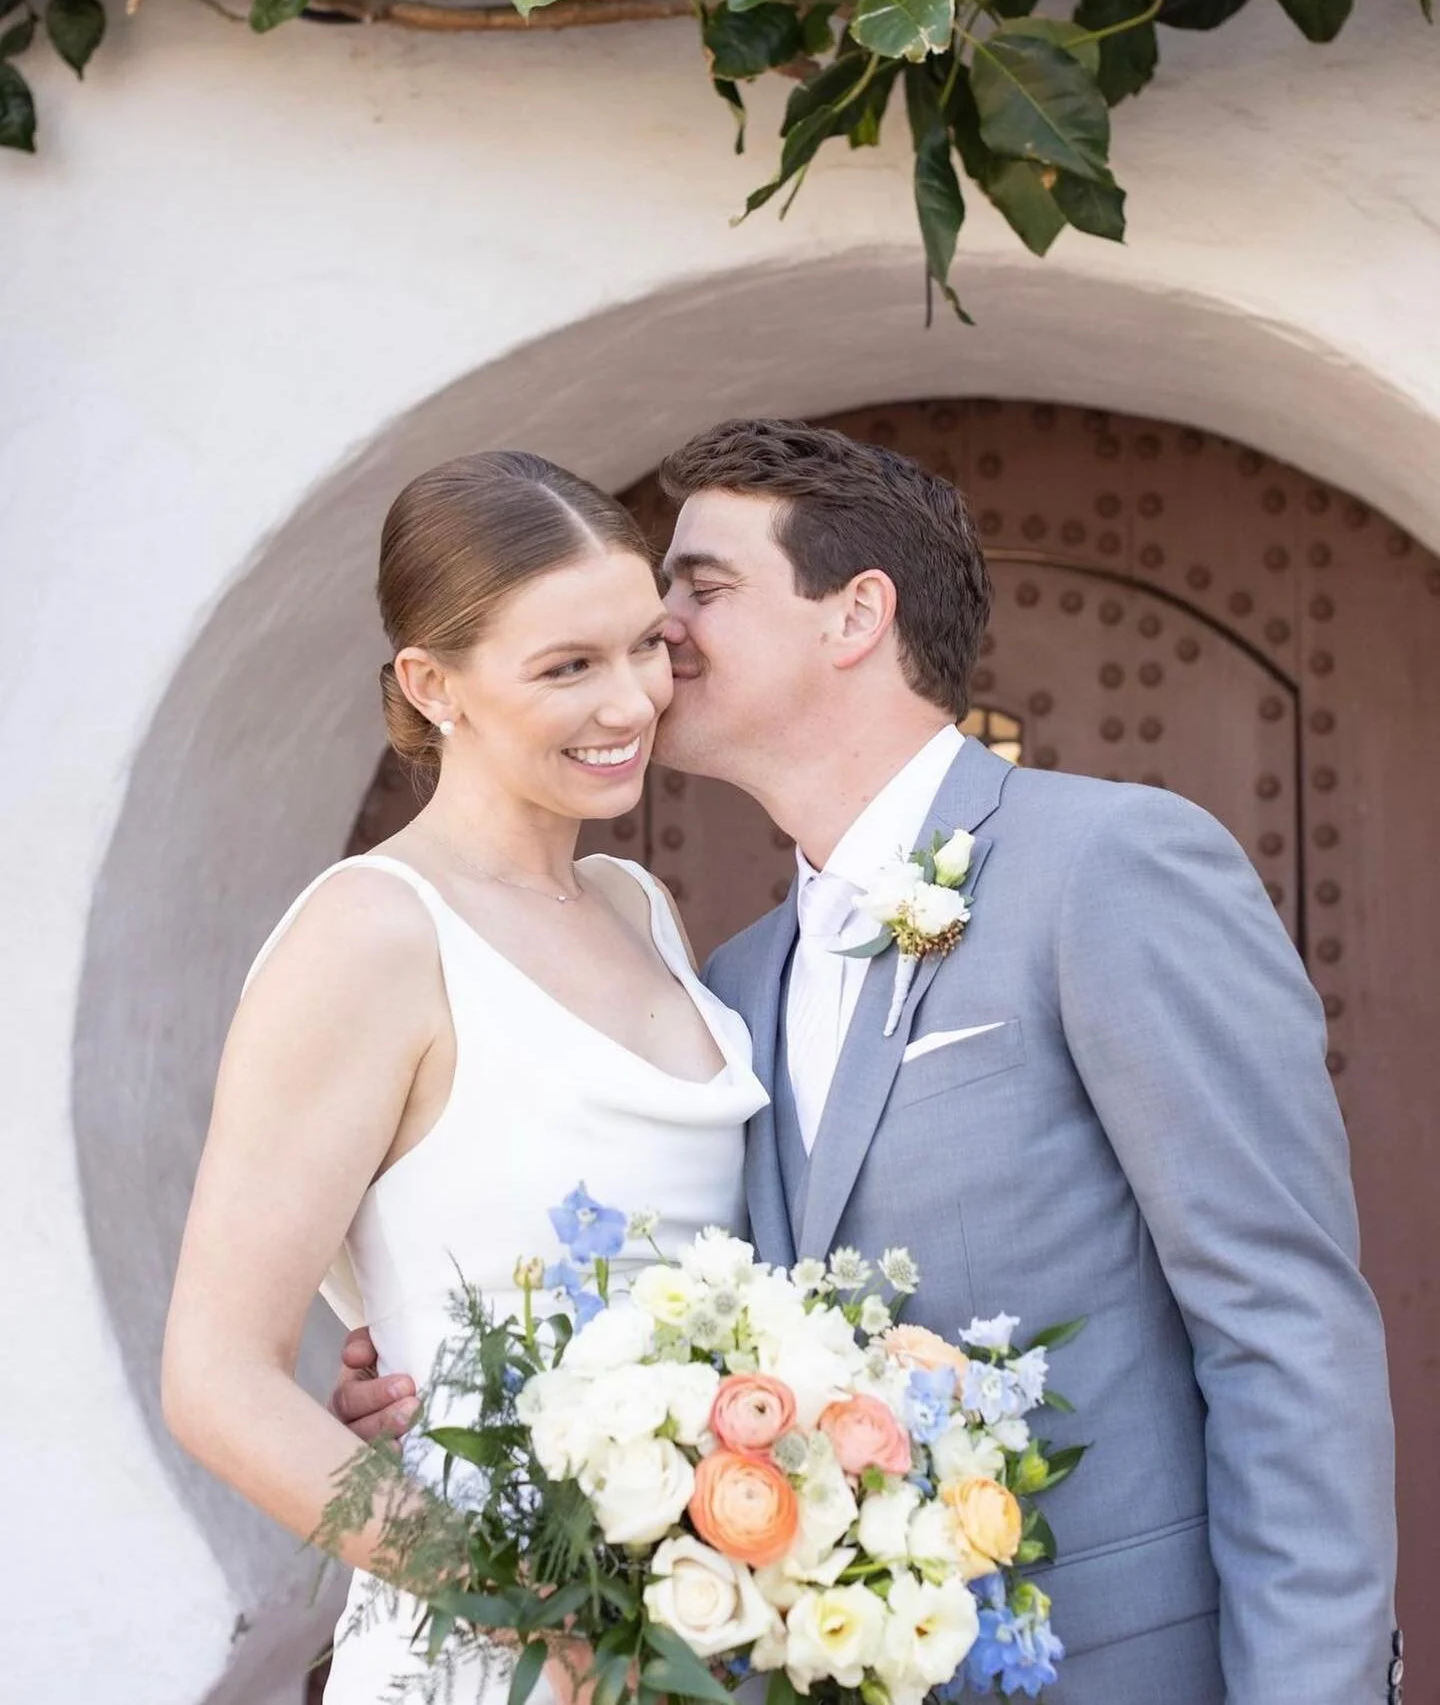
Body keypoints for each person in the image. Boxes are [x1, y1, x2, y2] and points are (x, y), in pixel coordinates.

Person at [339, 420, 1400, 1705]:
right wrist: (472, 1407)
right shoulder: (720, 989)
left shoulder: (1112, 867)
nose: (658, 626)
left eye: (703, 587)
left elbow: (1280, 1323)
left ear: (855, 615)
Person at [162, 451, 768, 1704]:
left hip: (713, 1630)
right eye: (567, 668)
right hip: (505, 1653)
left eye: (644, 645)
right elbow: (216, 1380)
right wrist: (549, 1616)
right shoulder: (374, 932)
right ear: (434, 685)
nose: (633, 701)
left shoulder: (638, 905)